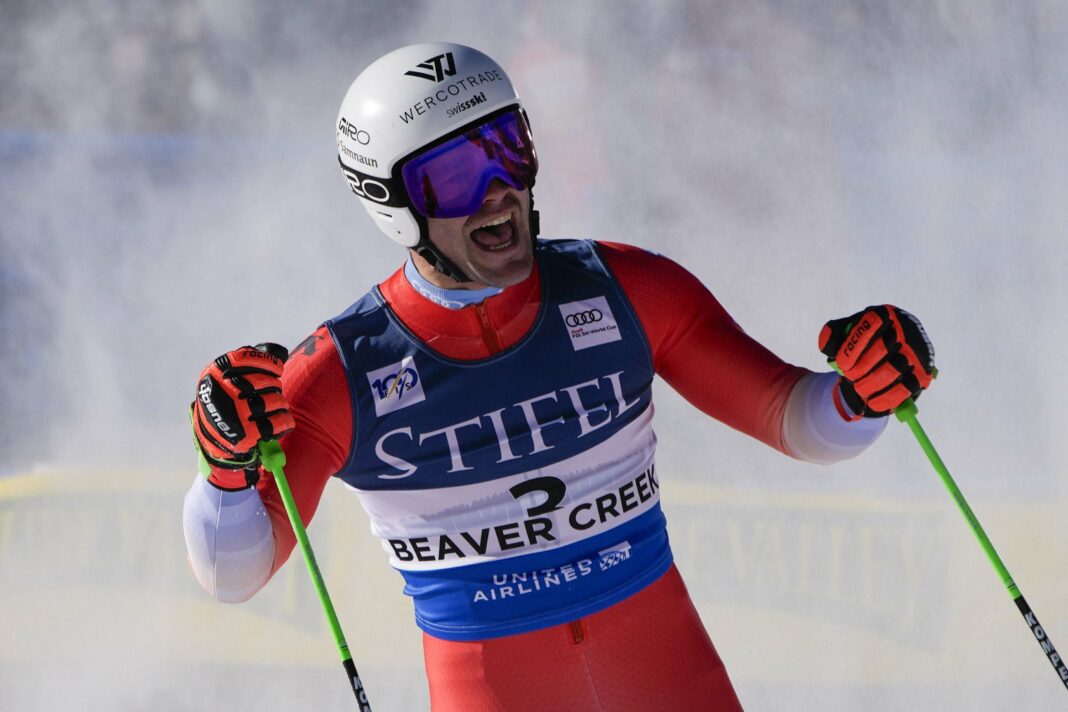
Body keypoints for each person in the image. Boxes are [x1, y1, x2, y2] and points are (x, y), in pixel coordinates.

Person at [183, 42, 936, 711]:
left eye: (508, 148)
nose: (498, 190)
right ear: (393, 204)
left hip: (672, 680)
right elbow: (233, 576)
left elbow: (796, 421)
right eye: (454, 175)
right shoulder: (341, 372)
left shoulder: (627, 287)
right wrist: (222, 472)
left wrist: (863, 393)